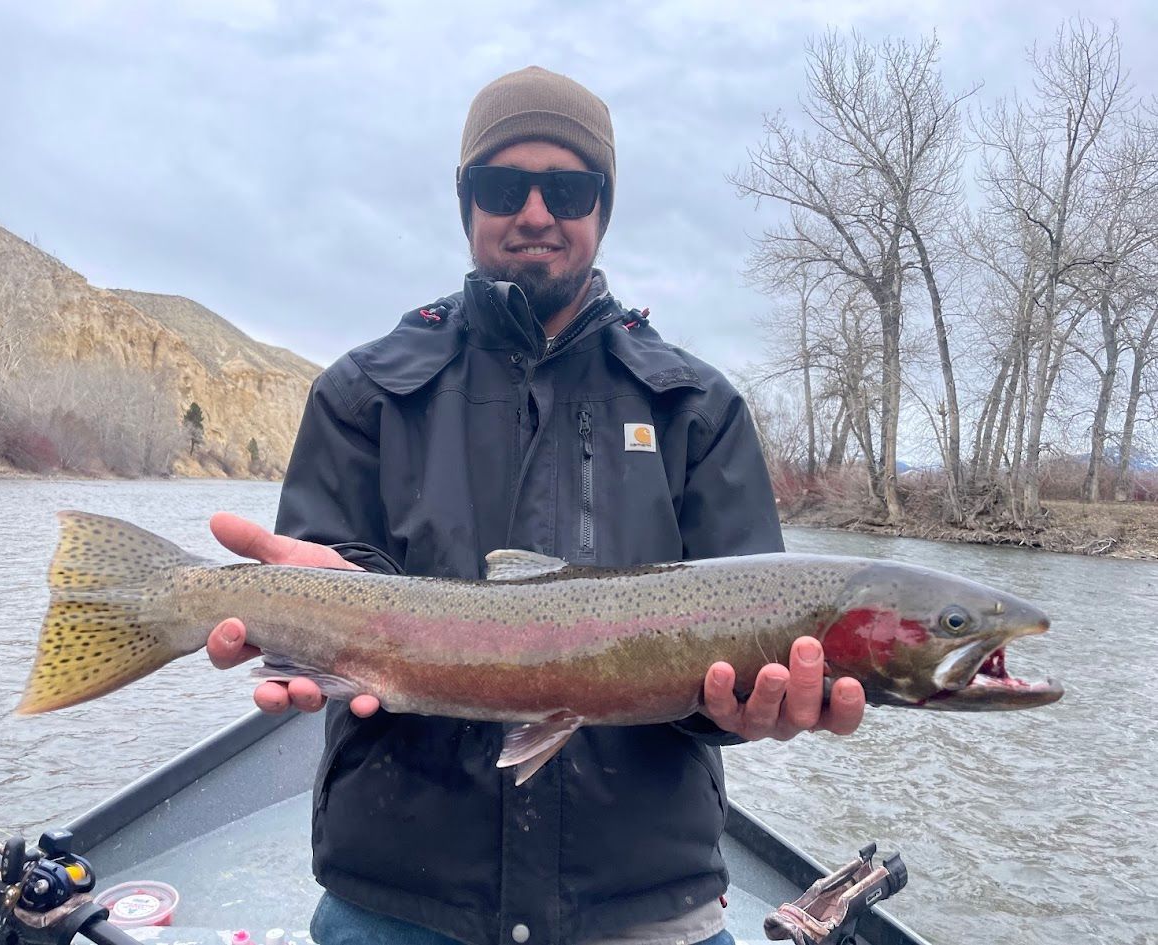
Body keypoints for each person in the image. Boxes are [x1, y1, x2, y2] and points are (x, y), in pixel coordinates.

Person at [206, 66, 865, 945]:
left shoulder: (698, 409)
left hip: (644, 900)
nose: (534, 211)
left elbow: (747, 653)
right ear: (465, 202)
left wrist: (753, 713)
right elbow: (332, 558)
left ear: (603, 206)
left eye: (568, 186)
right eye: (500, 185)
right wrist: (328, 606)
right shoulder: (361, 392)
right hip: (396, 894)